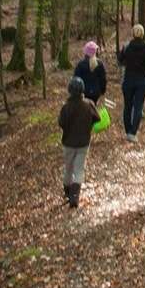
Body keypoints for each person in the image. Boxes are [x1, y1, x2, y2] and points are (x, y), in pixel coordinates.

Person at [58, 76, 96, 208]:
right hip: (83, 142)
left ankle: (68, 192)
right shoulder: (89, 104)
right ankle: (75, 195)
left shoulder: (66, 108)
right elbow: (97, 118)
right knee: (79, 170)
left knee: (68, 168)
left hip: (68, 142)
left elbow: (61, 124)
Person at [117, 24, 145, 139]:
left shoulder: (126, 46)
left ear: (133, 33)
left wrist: (126, 63)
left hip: (128, 80)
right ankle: (133, 132)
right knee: (138, 107)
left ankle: (128, 130)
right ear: (143, 34)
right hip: (142, 81)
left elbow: (119, 62)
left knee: (127, 106)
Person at [71, 39, 107, 105]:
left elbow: (76, 79)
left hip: (84, 93)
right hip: (96, 93)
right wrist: (102, 92)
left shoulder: (80, 65)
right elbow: (103, 80)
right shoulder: (100, 64)